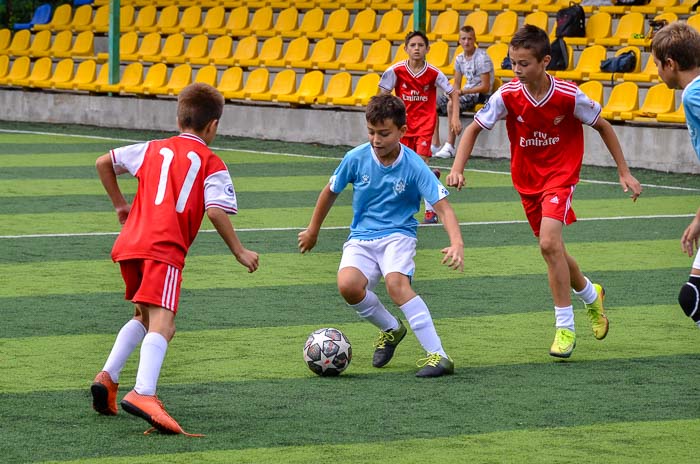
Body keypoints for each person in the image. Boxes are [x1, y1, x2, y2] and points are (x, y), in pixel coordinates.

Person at [446, 25, 643, 358]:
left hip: (560, 177)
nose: (517, 70)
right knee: (556, 251)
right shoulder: (508, 94)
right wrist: (456, 168)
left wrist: (624, 171)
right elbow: (474, 129)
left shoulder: (568, 95)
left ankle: (564, 328)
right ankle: (592, 295)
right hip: (527, 182)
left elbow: (604, 126)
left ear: (545, 61)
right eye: (513, 63)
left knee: (549, 243)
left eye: (524, 63)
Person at [90, 83, 259, 435]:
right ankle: (144, 393)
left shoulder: (153, 148)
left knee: (143, 314)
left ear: (179, 116)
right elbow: (215, 211)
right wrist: (240, 251)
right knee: (164, 325)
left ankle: (108, 377)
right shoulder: (212, 162)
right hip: (163, 248)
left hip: (130, 243)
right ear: (213, 125)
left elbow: (103, 161)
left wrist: (121, 204)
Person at [298, 94, 464, 377]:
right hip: (361, 236)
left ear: (402, 130)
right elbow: (330, 191)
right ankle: (391, 328)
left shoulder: (413, 165)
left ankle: (439, 355)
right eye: (372, 132)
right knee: (348, 286)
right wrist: (313, 230)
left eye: (384, 133)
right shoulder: (356, 158)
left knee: (396, 285)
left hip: (398, 235)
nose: (376, 139)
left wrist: (456, 242)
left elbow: (443, 208)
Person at [379, 30, 462, 224]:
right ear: (405, 48)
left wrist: (455, 118)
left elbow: (453, 93)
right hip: (403, 126)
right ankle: (423, 186)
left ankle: (430, 212)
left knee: (420, 164)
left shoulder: (433, 72)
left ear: (427, 49)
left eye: (421, 45)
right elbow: (381, 95)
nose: (417, 49)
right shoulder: (396, 70)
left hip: (425, 125)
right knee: (403, 166)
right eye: (413, 45)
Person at [651, 22, 700, 328]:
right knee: (693, 298)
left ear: (670, 64)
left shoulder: (692, 95)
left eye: (657, 64)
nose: (656, 71)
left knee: (693, 297)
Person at [434, 25, 494, 160]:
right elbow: (456, 83)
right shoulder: (459, 58)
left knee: (451, 105)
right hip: (464, 91)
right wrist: (453, 92)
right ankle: (435, 144)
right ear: (459, 40)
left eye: (470, 39)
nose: (466, 42)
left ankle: (450, 145)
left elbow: (485, 87)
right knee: (432, 104)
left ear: (475, 40)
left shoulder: (482, 57)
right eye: (464, 39)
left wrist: (461, 92)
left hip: (479, 95)